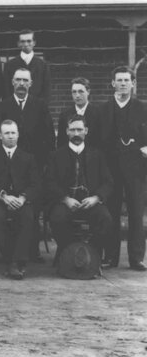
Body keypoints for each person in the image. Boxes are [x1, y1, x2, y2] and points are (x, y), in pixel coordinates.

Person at [45, 115, 113, 267]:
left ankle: (91, 253)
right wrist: (65, 199)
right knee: (57, 219)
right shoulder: (56, 155)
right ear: (67, 132)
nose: (76, 133)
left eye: (80, 130)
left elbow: (108, 182)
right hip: (65, 203)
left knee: (105, 219)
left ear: (86, 131)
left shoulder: (97, 155)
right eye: (73, 130)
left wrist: (96, 198)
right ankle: (68, 253)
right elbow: (49, 182)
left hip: (91, 203)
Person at [99, 66, 147, 271]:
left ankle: (136, 258)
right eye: (119, 80)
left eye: (127, 80)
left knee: (136, 212)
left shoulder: (143, 107)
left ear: (133, 83)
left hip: (136, 167)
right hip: (111, 168)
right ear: (112, 83)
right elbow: (98, 139)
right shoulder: (103, 109)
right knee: (112, 211)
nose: (123, 84)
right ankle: (111, 257)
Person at [0, 120, 40, 280]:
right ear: (0, 136)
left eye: (13, 133)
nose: (10, 136)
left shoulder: (28, 158)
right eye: (7, 133)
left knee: (28, 217)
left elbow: (35, 184)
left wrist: (22, 198)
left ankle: (18, 260)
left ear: (18, 135)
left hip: (21, 200)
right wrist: (3, 196)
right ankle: (9, 261)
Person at [0, 68, 54, 170]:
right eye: (18, 80)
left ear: (31, 83)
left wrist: (47, 162)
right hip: (9, 162)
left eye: (25, 80)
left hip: (36, 162)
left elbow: (49, 135)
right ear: (12, 82)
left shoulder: (40, 106)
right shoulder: (2, 107)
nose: (22, 83)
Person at [56, 77, 102, 149]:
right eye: (74, 92)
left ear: (88, 92)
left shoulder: (99, 113)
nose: (77, 95)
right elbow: (61, 143)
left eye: (81, 91)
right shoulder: (65, 115)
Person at [4, 30, 49, 102]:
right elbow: (6, 91)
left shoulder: (43, 65)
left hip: (37, 109)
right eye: (23, 41)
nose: (26, 44)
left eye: (29, 41)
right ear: (18, 43)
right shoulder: (9, 65)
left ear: (34, 43)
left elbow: (46, 92)